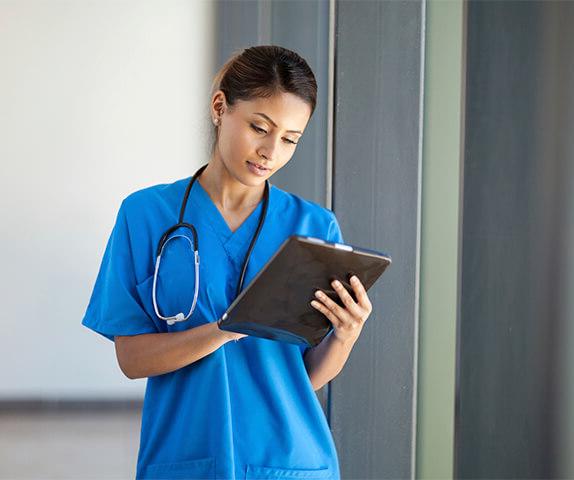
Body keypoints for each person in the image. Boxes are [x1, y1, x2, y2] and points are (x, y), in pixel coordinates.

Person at [81, 45, 373, 480]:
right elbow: (133, 359)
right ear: (221, 108)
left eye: (290, 139)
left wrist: (346, 337)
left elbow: (305, 376)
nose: (270, 151)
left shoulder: (313, 226)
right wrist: (227, 328)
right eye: (260, 127)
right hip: (186, 458)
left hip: (290, 462)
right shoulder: (145, 215)